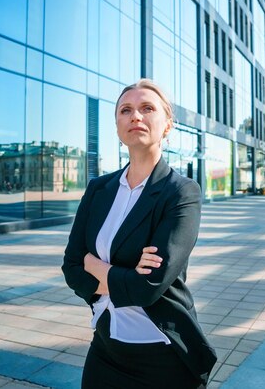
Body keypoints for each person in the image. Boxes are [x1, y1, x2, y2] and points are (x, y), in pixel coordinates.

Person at [62, 79, 217, 388]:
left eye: (147, 108)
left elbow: (149, 286)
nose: (136, 116)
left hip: (162, 355)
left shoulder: (181, 192)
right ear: (118, 126)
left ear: (167, 125)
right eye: (126, 110)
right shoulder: (98, 189)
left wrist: (98, 267)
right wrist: (126, 273)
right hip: (104, 347)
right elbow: (71, 268)